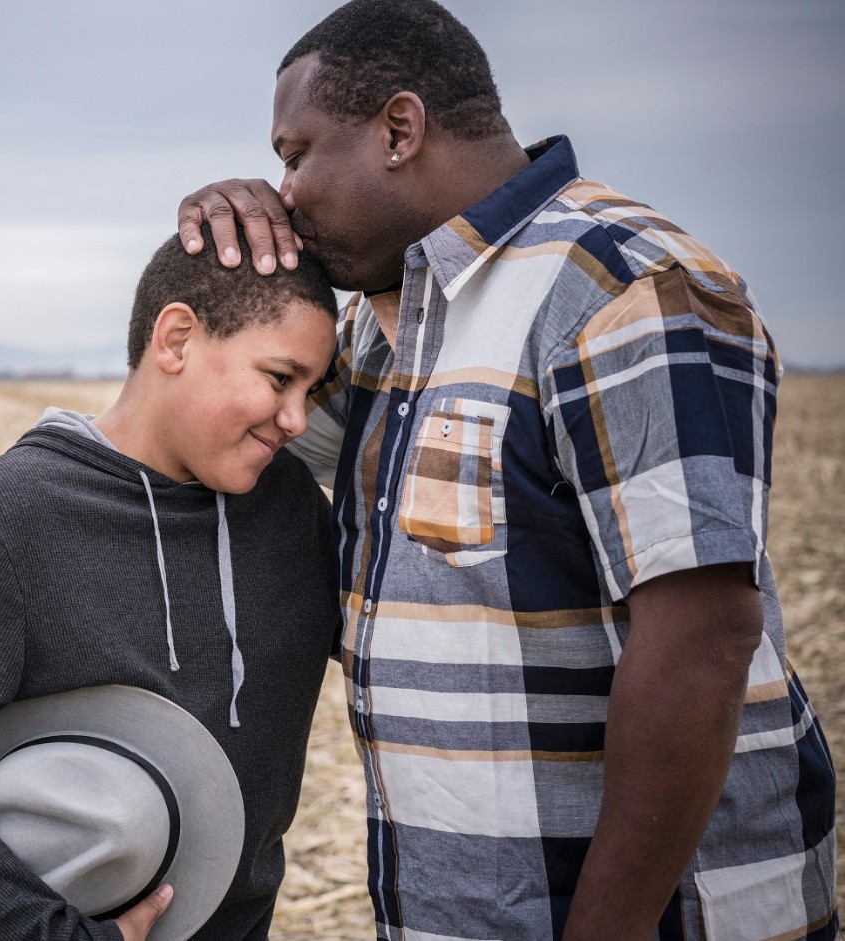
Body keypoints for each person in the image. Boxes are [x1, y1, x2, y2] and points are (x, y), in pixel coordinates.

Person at [174, 2, 838, 939]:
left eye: (295, 154)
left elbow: (703, 639)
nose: (284, 192)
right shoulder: (384, 323)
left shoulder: (623, 288)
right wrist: (234, 260)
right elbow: (222, 440)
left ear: (399, 130)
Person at [0, 228, 344, 941]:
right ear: (176, 339)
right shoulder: (13, 516)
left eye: (313, 390)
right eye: (280, 379)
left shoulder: (286, 506)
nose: (297, 419)